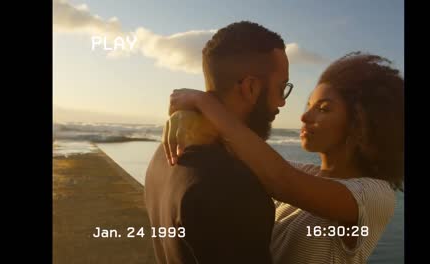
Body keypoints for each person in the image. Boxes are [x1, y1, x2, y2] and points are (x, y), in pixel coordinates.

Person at [163, 52, 404, 263]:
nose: (304, 117)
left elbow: (280, 180)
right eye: (308, 105)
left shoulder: (375, 196)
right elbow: (245, 153)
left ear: (360, 123)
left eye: (323, 108)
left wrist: (204, 102)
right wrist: (190, 117)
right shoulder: (305, 173)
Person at [145, 21, 291, 263]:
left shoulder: (162, 156)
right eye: (281, 87)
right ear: (251, 87)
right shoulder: (233, 185)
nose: (282, 102)